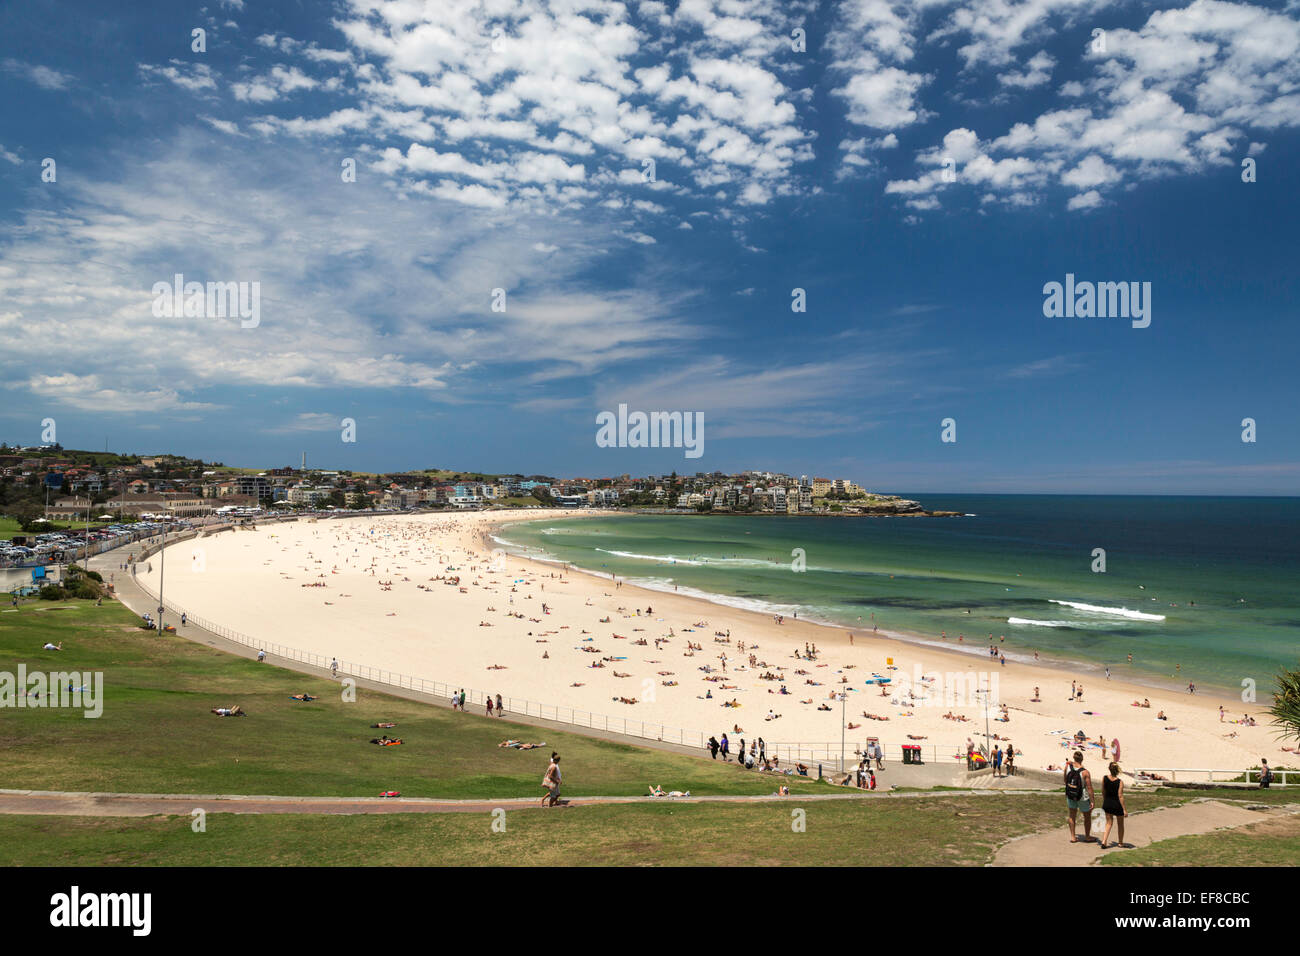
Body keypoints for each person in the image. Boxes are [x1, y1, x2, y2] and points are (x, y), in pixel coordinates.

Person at [1064, 751, 1095, 843]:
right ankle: (1087, 836)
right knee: (1087, 816)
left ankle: (1073, 837)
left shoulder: (1068, 767)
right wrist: (1092, 800)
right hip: (1082, 796)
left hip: (1070, 794)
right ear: (1082, 759)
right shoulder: (1085, 772)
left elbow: (1065, 780)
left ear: (1073, 758)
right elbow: (1089, 787)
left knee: (1072, 815)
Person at [1101, 762, 1126, 848]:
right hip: (1117, 804)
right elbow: (1120, 796)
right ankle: (1120, 842)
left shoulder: (1104, 778)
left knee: (1108, 823)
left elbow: (1103, 791)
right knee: (1120, 824)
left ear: (1109, 769)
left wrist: (1105, 800)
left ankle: (1104, 841)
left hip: (1107, 803)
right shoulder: (1120, 782)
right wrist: (1124, 809)